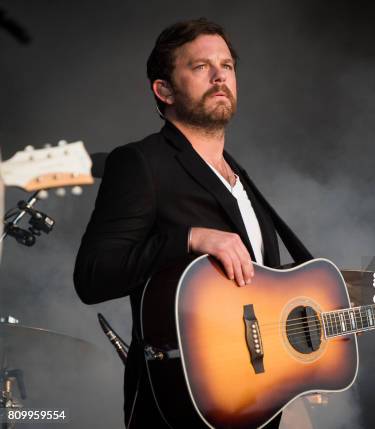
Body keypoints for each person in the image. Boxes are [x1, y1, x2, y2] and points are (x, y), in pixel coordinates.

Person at [73, 17, 312, 429]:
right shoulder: (141, 163)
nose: (220, 76)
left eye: (228, 66)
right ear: (163, 89)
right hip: (180, 410)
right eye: (201, 67)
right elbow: (92, 277)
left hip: (253, 406)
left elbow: (263, 298)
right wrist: (190, 237)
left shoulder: (239, 178)